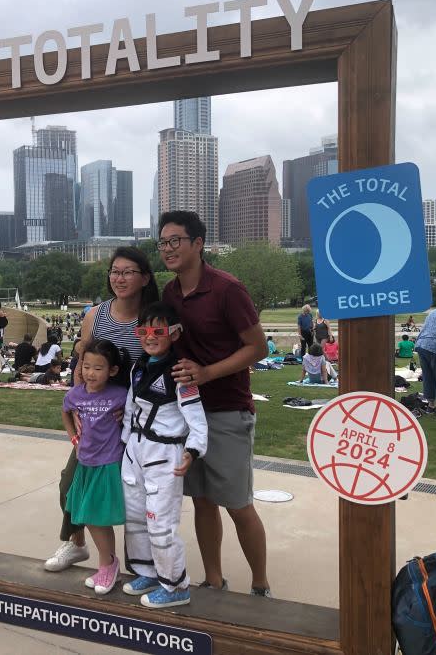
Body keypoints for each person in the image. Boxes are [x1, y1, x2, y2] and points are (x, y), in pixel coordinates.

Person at [159, 210, 271, 597]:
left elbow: (257, 348)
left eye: (175, 241)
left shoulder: (227, 289)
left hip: (227, 411)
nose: (168, 249)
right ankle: (214, 579)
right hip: (186, 414)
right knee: (202, 501)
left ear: (198, 244)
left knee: (238, 504)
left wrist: (207, 373)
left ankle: (260, 585)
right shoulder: (170, 293)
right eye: (162, 243)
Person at [44, 246, 159, 574]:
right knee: (72, 483)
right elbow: (82, 363)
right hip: (97, 418)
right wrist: (79, 404)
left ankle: (139, 563)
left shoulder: (152, 317)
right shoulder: (96, 314)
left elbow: (160, 366)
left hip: (137, 418)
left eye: (128, 272)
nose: (119, 278)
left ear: (145, 277)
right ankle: (76, 543)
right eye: (115, 272)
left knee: (133, 494)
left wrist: (137, 409)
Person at [121, 303, 208, 609]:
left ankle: (175, 586)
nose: (150, 336)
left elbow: (196, 418)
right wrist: (124, 443)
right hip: (135, 449)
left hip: (164, 453)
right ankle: (148, 571)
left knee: (160, 522)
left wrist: (193, 450)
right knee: (134, 516)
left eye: (158, 331)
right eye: (143, 331)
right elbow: (132, 407)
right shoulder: (139, 366)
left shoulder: (180, 372)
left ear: (174, 333)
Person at [62, 340, 128, 595]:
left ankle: (108, 565)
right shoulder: (75, 394)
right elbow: (65, 411)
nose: (90, 373)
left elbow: (135, 416)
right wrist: (74, 439)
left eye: (98, 368)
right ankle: (108, 565)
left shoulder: (120, 395)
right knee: (89, 517)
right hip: (85, 464)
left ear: (112, 371)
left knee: (96, 518)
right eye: (86, 366)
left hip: (107, 464)